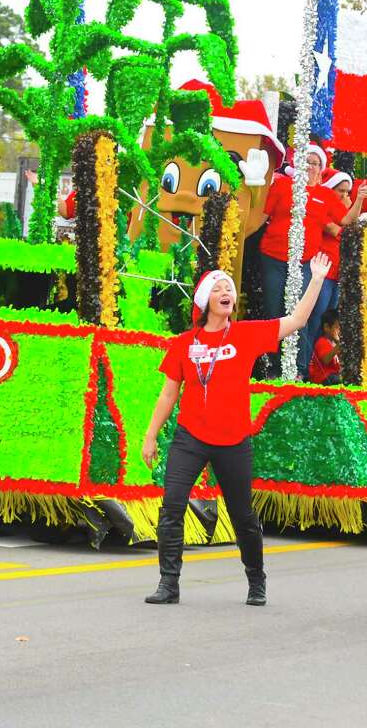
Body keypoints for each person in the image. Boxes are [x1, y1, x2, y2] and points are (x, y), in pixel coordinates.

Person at [140, 252, 333, 607]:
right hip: (190, 437)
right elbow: (169, 392)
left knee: (243, 514)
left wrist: (317, 279)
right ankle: (169, 583)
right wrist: (151, 434)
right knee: (171, 507)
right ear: (205, 301)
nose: (227, 291)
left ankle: (256, 581)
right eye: (219, 288)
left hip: (233, 439)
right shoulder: (185, 343)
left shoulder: (245, 334)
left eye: (230, 287)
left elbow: (298, 319)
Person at [255, 145, 339, 376]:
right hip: (273, 256)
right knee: (274, 311)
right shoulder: (282, 186)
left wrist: (361, 205)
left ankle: (298, 369)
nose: (310, 166)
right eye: (306, 162)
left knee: (302, 313)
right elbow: (262, 216)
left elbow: (340, 224)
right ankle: (271, 367)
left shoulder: (326, 196)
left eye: (315, 163)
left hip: (305, 262)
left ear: (321, 169)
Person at [315, 170, 367, 317]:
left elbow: (351, 225)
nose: (345, 195)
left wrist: (358, 201)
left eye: (347, 192)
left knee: (332, 315)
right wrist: (349, 207)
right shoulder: (320, 206)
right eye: (341, 191)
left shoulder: (343, 210)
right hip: (324, 268)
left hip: (339, 271)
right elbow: (339, 232)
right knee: (319, 314)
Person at [309, 310, 342, 385]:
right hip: (323, 378)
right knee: (337, 380)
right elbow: (326, 360)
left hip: (333, 375)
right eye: (337, 327)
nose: (340, 331)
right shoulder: (322, 342)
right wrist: (339, 344)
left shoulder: (334, 342)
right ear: (326, 327)